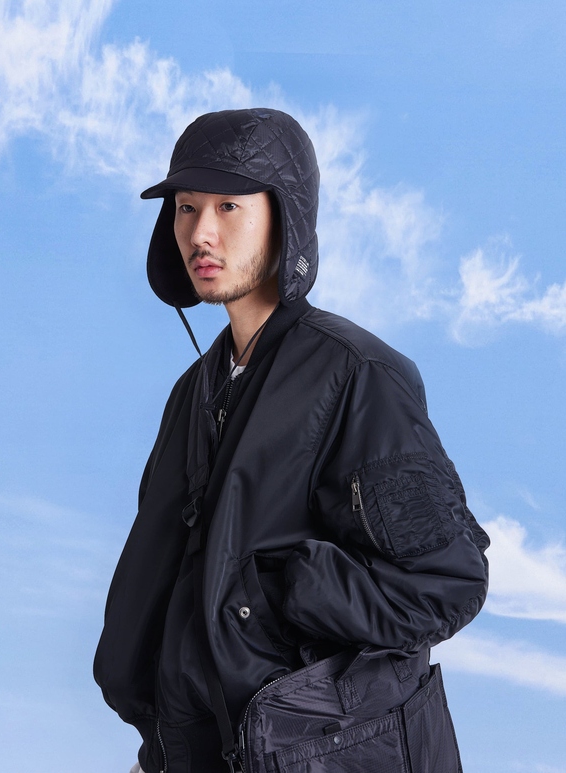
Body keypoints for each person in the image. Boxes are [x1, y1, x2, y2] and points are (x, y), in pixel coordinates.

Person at [94, 108, 489, 773]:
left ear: (285, 218)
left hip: (318, 752)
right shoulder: (194, 393)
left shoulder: (359, 375)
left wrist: (285, 590)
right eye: (186, 208)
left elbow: (446, 582)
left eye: (228, 206)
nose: (201, 232)